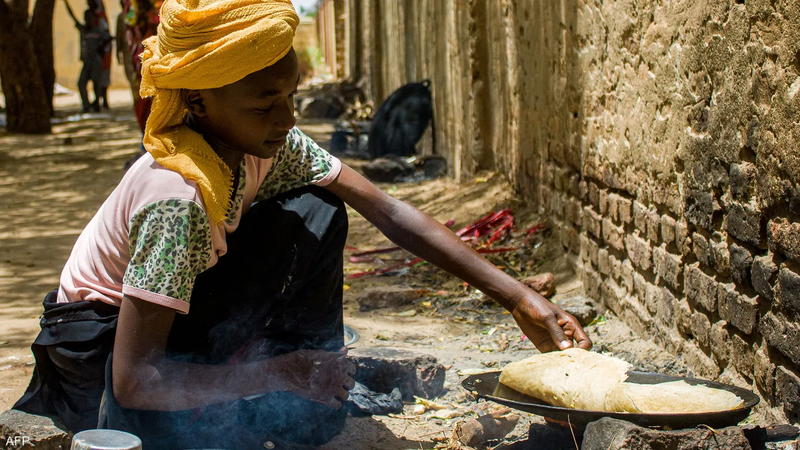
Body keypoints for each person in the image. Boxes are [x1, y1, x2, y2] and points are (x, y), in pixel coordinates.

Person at [13, 0, 592, 448]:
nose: (287, 118)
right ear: (197, 104)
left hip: (161, 337)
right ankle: (275, 380)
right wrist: (280, 372)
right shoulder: (177, 198)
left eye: (290, 95)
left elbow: (388, 211)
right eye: (265, 105)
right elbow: (135, 379)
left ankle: (302, 383)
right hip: (103, 354)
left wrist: (516, 297)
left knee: (316, 210)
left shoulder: (266, 146)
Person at [65, 0, 112, 113]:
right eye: (86, 18)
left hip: (96, 61)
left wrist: (100, 50)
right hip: (86, 62)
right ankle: (86, 105)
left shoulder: (98, 31)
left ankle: (96, 103)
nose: (88, 20)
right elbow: (72, 16)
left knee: (97, 84)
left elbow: (109, 38)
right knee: (81, 83)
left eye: (90, 18)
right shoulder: (83, 30)